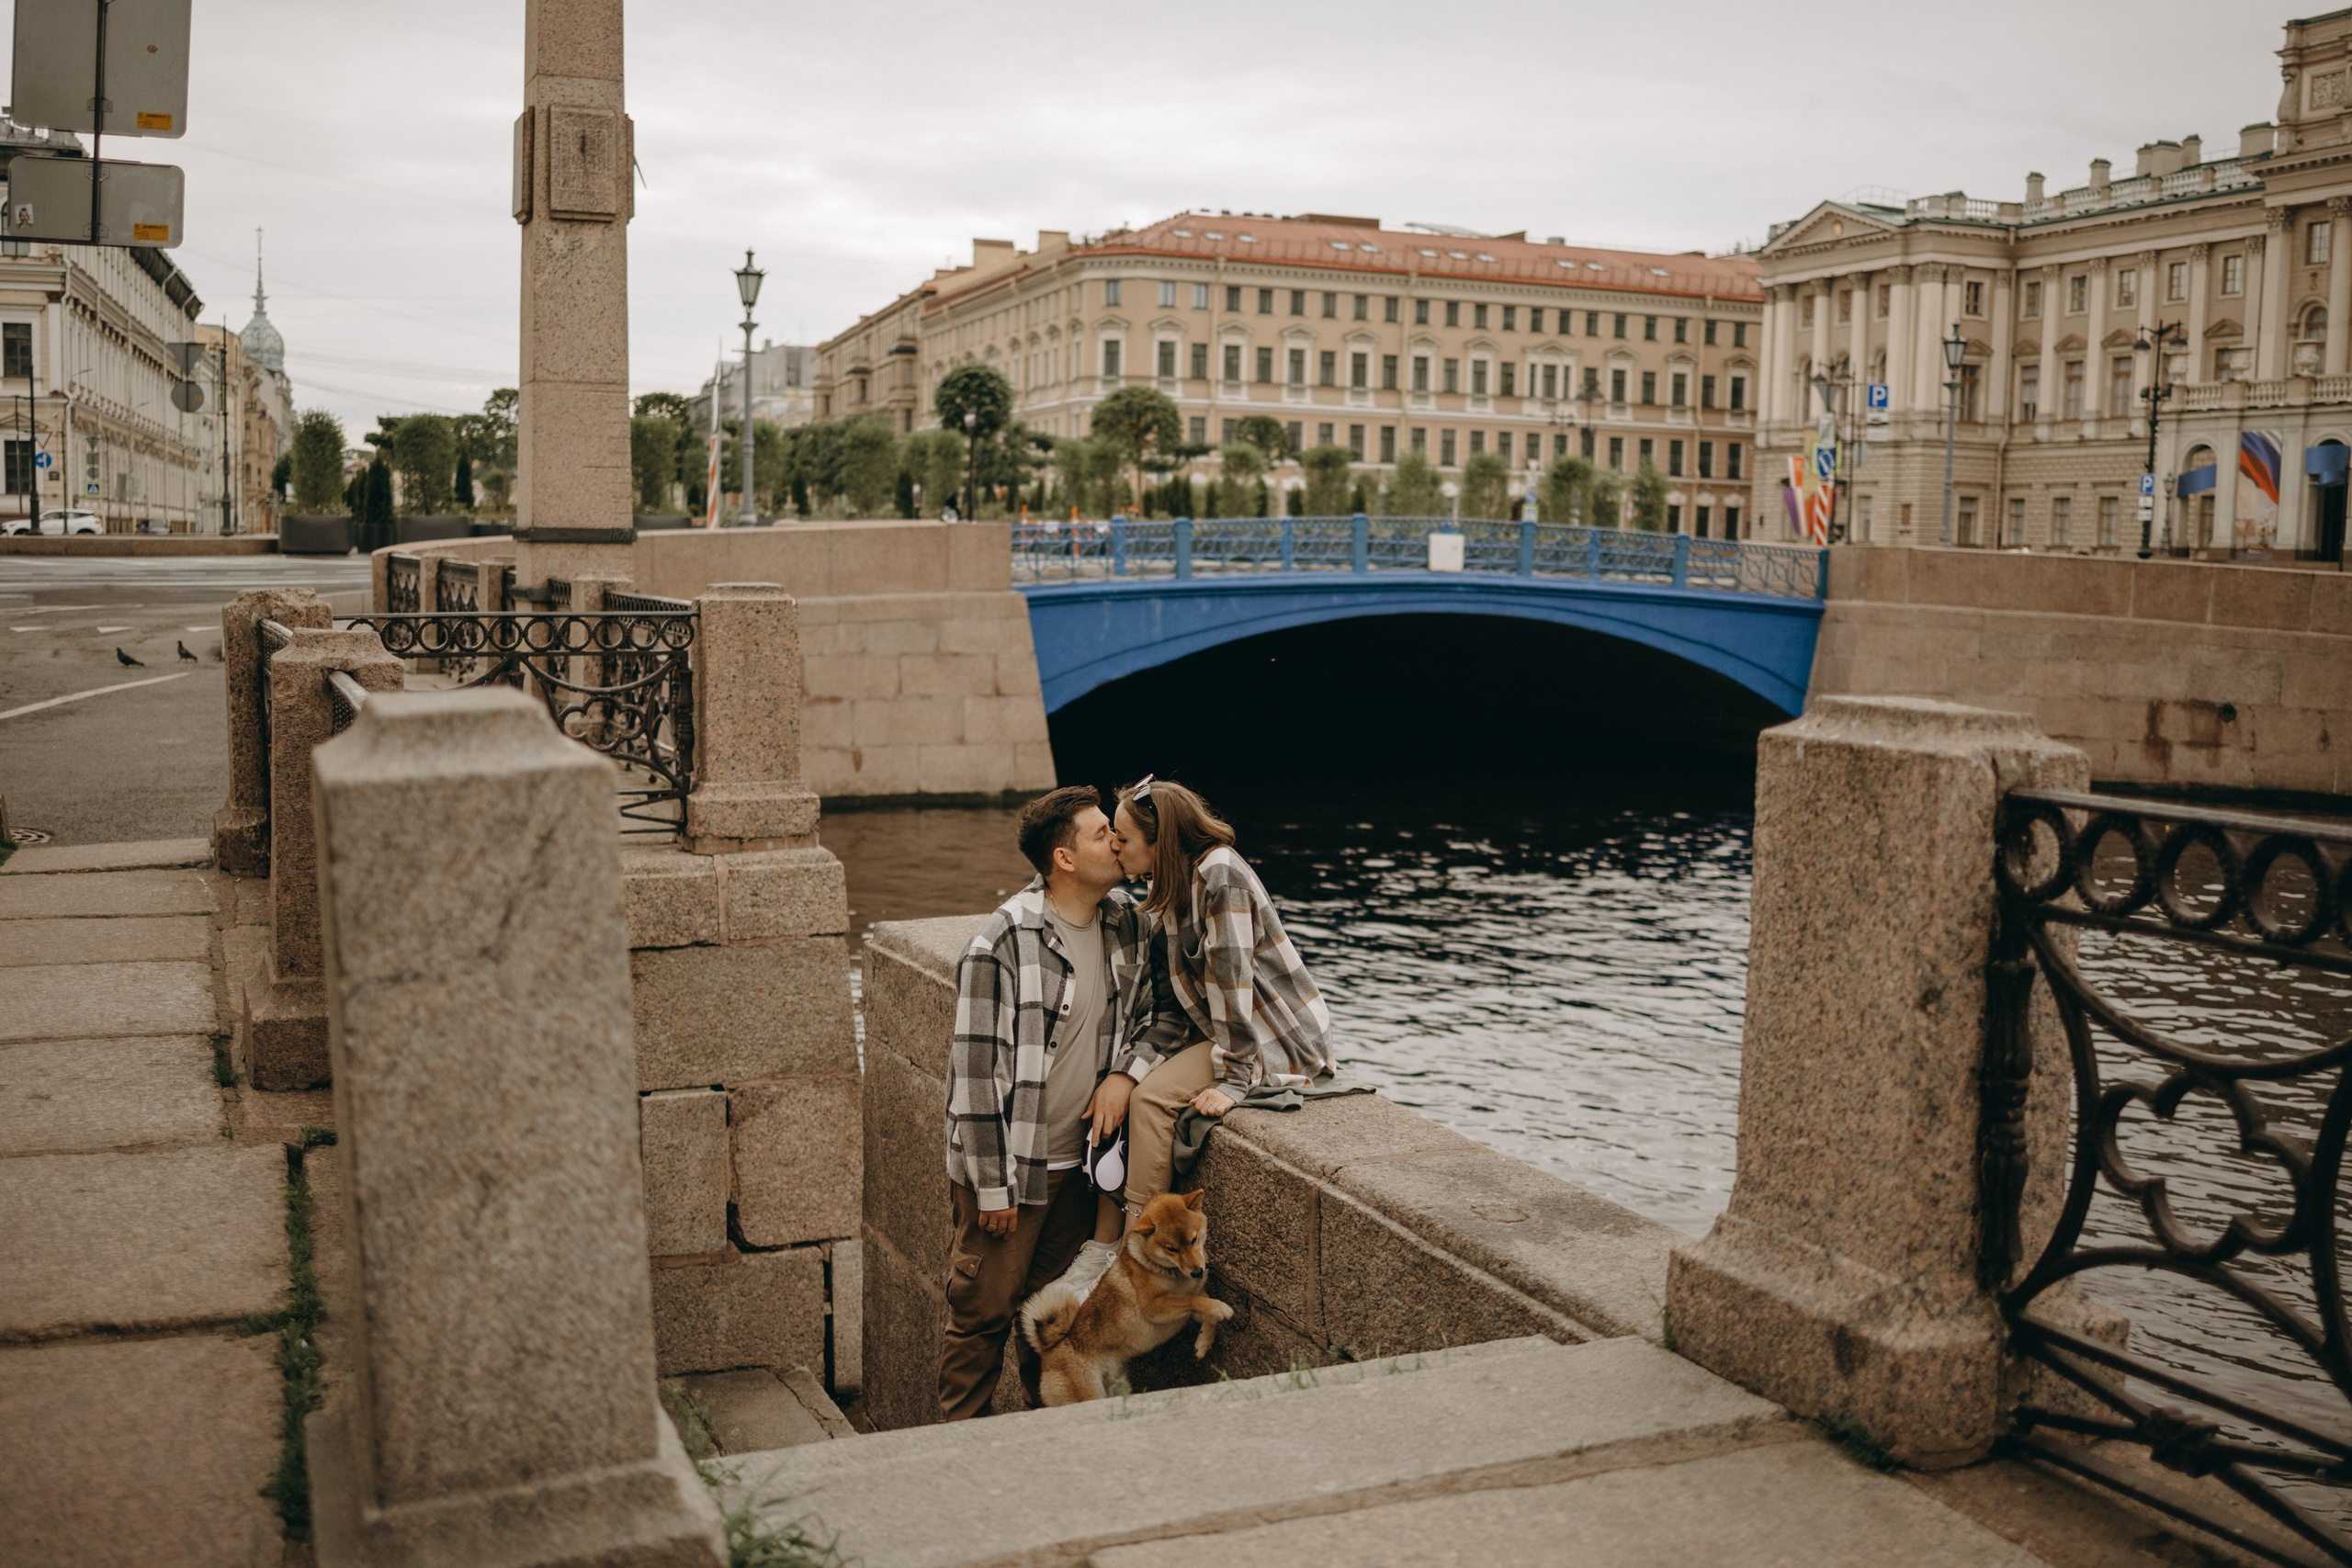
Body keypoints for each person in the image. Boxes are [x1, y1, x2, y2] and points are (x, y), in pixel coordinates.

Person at [938, 785, 1185, 1420]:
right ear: (1065, 857)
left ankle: (1046, 1447)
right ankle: (953, 1450)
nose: (1119, 840)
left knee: (1060, 1326)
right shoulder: (1002, 941)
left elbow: (1169, 1018)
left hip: (1083, 1176)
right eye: (1103, 831)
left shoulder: (1129, 923)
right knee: (982, 1320)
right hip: (1013, 1175)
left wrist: (1127, 1075)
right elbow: (974, 1073)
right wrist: (994, 1187)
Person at [1109, 774, 1338, 1225]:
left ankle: (1137, 1238)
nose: (1116, 846)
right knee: (1129, 1082)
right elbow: (1180, 1004)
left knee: (1151, 1101)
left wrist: (1234, 1080)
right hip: (1220, 1028)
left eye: (1123, 837)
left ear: (1161, 841)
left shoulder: (1219, 872)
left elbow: (1233, 984)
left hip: (1274, 1034)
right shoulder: (1170, 890)